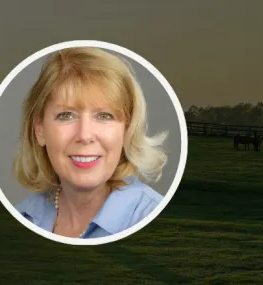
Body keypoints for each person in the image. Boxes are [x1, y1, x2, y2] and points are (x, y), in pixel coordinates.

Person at [13, 47, 168, 239]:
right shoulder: (22, 216)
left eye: (104, 116)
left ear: (127, 130)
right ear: (40, 130)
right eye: (66, 115)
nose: (85, 135)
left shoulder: (153, 217)